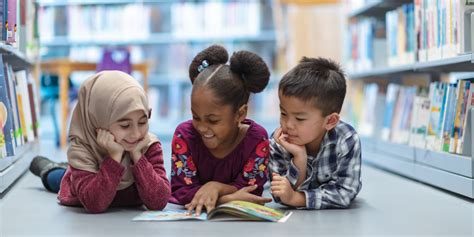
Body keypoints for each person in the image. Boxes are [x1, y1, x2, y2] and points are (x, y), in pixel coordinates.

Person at [29, 71, 171, 213]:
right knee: (58, 178)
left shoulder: (148, 145)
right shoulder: (83, 148)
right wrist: (114, 157)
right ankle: (48, 167)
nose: (136, 134)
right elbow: (95, 204)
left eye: (142, 122)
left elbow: (159, 201)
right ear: (99, 119)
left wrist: (137, 156)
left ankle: (67, 168)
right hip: (79, 186)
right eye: (125, 125)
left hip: (100, 174)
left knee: (70, 171)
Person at [169, 45, 272, 215]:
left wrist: (215, 187)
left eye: (213, 120)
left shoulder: (257, 140)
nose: (202, 127)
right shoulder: (184, 135)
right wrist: (226, 199)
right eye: (196, 117)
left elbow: (250, 192)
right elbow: (181, 190)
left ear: (240, 114)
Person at [269, 57, 362, 209]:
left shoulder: (346, 139)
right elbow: (280, 195)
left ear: (330, 121)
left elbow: (345, 193)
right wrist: (300, 158)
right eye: (283, 113)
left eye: (299, 118)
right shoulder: (279, 141)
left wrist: (296, 199)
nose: (288, 125)